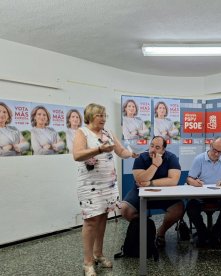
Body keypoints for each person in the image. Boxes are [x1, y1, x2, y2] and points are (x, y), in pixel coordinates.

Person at [73, 103, 137, 276]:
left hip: (108, 183)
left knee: (102, 219)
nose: (103, 118)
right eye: (99, 115)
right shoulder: (82, 132)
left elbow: (121, 151)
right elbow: (77, 155)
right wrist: (100, 148)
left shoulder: (108, 133)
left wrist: (132, 154)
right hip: (90, 184)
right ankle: (87, 262)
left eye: (104, 115)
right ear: (90, 116)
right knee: (91, 221)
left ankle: (98, 254)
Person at [120, 136, 184, 248]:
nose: (153, 149)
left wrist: (150, 183)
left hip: (164, 193)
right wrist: (155, 165)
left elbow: (173, 180)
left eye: (157, 147)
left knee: (179, 209)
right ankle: (148, 230)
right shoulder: (141, 157)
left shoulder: (171, 157)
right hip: (140, 191)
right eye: (152, 145)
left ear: (163, 150)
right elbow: (140, 179)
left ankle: (161, 232)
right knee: (125, 209)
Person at [186, 137, 221, 248]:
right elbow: (189, 179)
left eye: (220, 152)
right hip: (201, 193)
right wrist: (194, 182)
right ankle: (203, 234)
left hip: (219, 193)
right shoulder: (199, 159)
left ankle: (216, 235)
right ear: (210, 145)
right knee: (191, 207)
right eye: (214, 150)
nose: (216, 153)